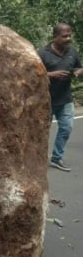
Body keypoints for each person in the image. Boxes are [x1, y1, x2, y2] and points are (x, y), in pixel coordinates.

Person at [39, 23, 83, 172]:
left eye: (69, 35)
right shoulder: (43, 54)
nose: (68, 38)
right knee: (42, 131)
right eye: (64, 36)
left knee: (67, 128)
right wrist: (51, 74)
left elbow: (79, 66)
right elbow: (32, 73)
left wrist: (77, 72)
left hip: (65, 99)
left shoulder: (72, 52)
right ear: (55, 36)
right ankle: (37, 159)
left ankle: (57, 157)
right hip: (46, 100)